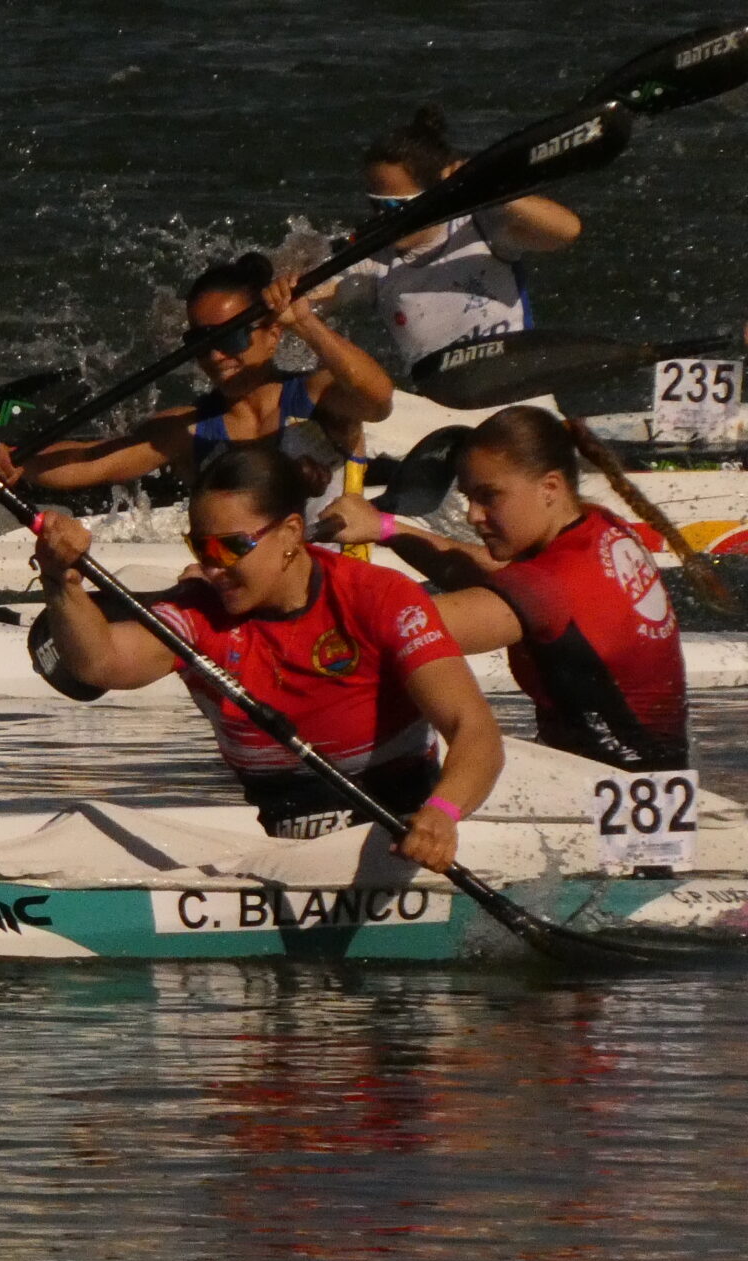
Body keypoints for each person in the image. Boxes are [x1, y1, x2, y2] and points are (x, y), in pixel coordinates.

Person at [34, 445, 503, 867]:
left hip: (408, 846)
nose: (212, 567)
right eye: (201, 547)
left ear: (290, 533)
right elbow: (100, 664)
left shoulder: (379, 599)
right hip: (290, 857)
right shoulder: (196, 616)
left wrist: (440, 816)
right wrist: (61, 581)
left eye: (230, 547)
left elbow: (476, 732)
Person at [316, 406, 686, 771]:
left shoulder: (549, 588)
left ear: (550, 488)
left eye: (489, 496)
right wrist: (386, 529)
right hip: (655, 776)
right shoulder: (598, 525)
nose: (472, 515)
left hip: (605, 802)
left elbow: (400, 628)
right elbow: (503, 577)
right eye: (468, 497)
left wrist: (299, 578)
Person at [0, 255, 394, 511]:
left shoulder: (319, 398)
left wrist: (307, 322)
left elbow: (378, 399)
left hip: (333, 590)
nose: (216, 355)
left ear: (273, 335)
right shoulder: (187, 429)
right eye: (200, 342)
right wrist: (19, 463)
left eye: (232, 336)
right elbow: (94, 459)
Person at [319, 106, 580, 371]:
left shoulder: (483, 229)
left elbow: (566, 231)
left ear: (437, 195)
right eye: (375, 206)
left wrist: (488, 185)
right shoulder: (372, 265)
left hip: (514, 389)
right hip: (443, 404)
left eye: (393, 207)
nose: (382, 218)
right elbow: (313, 302)